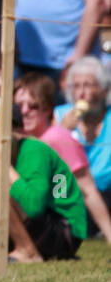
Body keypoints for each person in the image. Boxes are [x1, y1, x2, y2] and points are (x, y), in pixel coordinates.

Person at [0, 98, 86, 263]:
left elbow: (34, 207)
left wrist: (3, 164)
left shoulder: (34, 150)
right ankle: (17, 251)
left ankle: (28, 252)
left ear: (17, 131)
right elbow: (10, 214)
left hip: (64, 231)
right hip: (33, 230)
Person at [13, 73, 111, 241]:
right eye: (18, 105)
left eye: (33, 106)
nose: (24, 112)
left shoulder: (57, 137)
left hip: (57, 227)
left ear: (48, 108)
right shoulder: (17, 139)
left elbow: (88, 189)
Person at [53, 57, 111, 214]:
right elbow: (46, 157)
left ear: (104, 90)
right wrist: (61, 132)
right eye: (76, 86)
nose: (82, 93)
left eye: (88, 85)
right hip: (69, 191)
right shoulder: (59, 115)